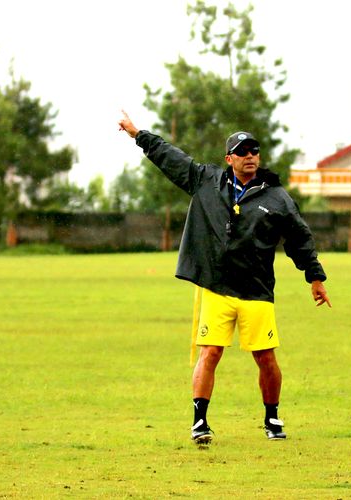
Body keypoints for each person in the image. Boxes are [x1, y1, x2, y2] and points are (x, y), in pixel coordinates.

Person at [118, 111, 331, 446]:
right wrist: (138, 134)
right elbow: (170, 158)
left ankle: (272, 417)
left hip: (257, 291)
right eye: (243, 152)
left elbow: (299, 238)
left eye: (254, 151)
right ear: (229, 158)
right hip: (217, 288)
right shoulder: (207, 181)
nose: (250, 157)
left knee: (266, 358)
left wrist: (314, 277)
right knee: (210, 352)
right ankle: (199, 421)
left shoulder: (276, 197)